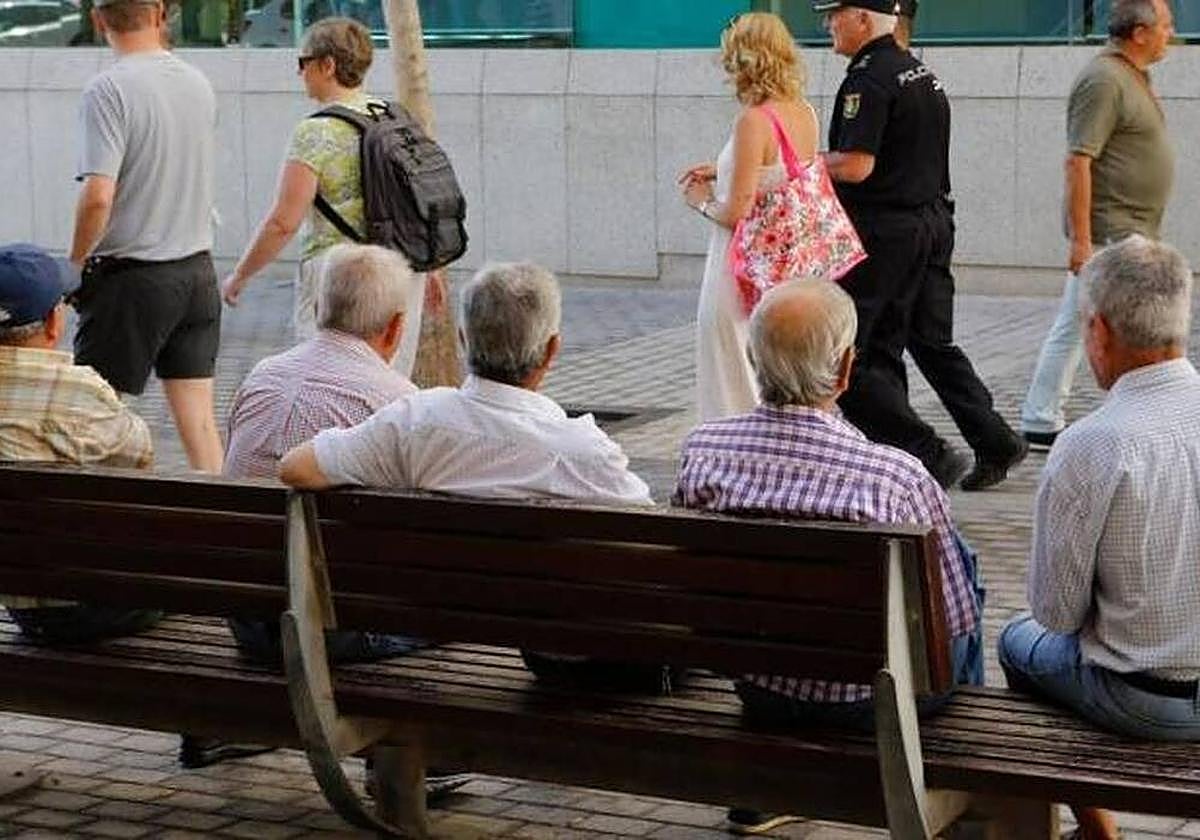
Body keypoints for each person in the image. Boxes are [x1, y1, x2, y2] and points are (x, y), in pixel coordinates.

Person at [675, 278, 983, 836]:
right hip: (872, 701)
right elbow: (953, 626)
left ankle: (765, 791)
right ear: (844, 372)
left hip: (760, 685)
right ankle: (967, 796)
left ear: (753, 358)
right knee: (961, 570)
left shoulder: (703, 450)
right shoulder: (896, 478)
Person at [279, 262, 658, 685]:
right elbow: (655, 550)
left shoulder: (415, 422)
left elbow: (296, 467)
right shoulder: (585, 452)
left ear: (463, 341)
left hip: (452, 629)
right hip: (565, 654)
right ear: (552, 350)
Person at [181, 244, 437, 773]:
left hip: (247, 618)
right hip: (339, 630)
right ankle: (420, 760)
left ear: (322, 308)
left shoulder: (260, 377)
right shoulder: (397, 404)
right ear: (394, 328)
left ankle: (231, 724)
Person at [1000, 236, 1198, 840]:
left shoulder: (1092, 443)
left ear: (1099, 331)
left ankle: (1096, 828)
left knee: (1016, 643)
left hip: (1144, 700)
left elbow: (1056, 615)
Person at [814, 0, 1027, 491]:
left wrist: (803, 162)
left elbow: (856, 164)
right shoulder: (919, 73)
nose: (828, 24)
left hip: (886, 231)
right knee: (929, 341)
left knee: (857, 351)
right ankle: (993, 440)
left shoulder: (867, 79)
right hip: (931, 222)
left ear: (863, 19)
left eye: (835, 14)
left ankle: (923, 453)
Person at [219, 17, 440, 377]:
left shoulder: (315, 132)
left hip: (338, 280)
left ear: (328, 65)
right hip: (400, 273)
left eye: (303, 62)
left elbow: (282, 222)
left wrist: (240, 276)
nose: (300, 73)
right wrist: (431, 270)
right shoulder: (393, 116)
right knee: (385, 388)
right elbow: (420, 201)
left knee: (325, 385)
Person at [68, 0, 223, 473]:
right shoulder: (197, 82)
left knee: (92, 421)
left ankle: (107, 530)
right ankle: (223, 524)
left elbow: (98, 195)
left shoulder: (108, 89)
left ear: (98, 21)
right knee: (199, 426)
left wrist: (75, 265)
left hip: (133, 280)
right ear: (159, 14)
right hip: (198, 273)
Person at [1019, 0, 1175, 451]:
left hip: (1131, 225)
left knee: (1079, 321)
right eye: (1165, 25)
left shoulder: (1132, 75)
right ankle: (1042, 418)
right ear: (1140, 32)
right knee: (1100, 323)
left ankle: (1041, 418)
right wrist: (1082, 239)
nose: (1171, 32)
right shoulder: (1105, 79)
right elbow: (1078, 160)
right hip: (1112, 229)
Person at [0, 243, 162, 643]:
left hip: (22, 605)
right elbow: (140, 456)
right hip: (106, 602)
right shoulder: (80, 391)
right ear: (54, 323)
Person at [678, 12, 819, 422]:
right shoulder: (804, 113)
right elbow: (775, 177)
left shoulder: (753, 121)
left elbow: (736, 211)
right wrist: (724, 170)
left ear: (746, 61)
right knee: (771, 369)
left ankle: (731, 453)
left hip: (736, 268)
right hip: (780, 269)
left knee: (730, 370)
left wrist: (701, 200)